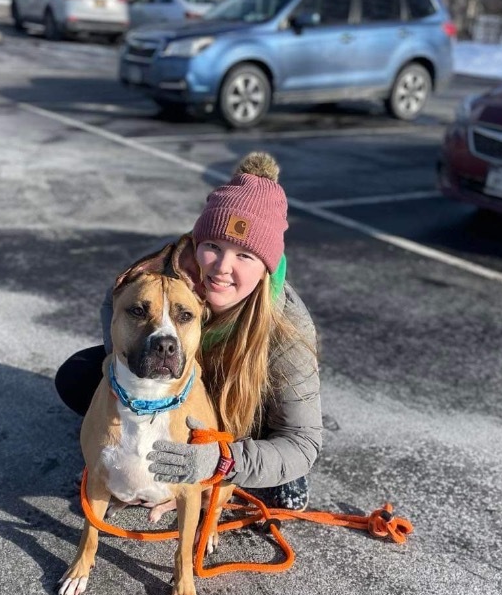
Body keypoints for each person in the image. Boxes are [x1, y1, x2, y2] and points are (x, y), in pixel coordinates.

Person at [54, 151, 322, 511]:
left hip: (239, 413)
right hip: (175, 386)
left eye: (245, 256)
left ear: (266, 269)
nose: (222, 268)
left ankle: (257, 469)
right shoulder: (168, 269)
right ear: (197, 244)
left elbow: (302, 441)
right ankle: (139, 458)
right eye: (213, 246)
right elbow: (112, 301)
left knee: (276, 458)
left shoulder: (288, 326)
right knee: (80, 376)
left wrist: (218, 462)